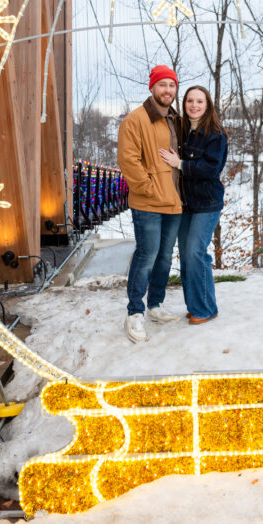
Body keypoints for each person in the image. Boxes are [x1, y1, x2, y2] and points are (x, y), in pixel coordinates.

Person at [117, 65, 183, 343]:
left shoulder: (176, 120)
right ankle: (135, 313)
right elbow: (127, 159)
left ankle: (155, 305)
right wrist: (147, 188)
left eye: (172, 85)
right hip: (149, 202)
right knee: (146, 255)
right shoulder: (135, 120)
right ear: (152, 88)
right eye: (162, 85)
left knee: (165, 257)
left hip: (175, 201)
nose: (167, 90)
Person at [160, 86, 227, 325]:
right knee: (187, 256)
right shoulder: (183, 130)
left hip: (207, 202)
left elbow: (210, 169)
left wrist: (180, 164)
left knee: (195, 253)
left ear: (207, 105)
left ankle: (206, 308)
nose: (194, 105)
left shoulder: (215, 134)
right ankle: (196, 305)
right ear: (185, 103)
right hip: (186, 202)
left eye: (200, 101)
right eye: (190, 101)